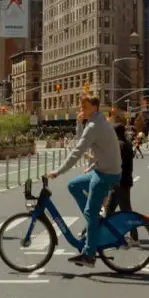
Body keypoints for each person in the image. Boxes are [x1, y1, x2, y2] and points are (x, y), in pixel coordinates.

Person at [47, 96, 122, 268]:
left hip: (106, 174)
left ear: (94, 108)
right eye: (81, 106)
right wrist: (79, 124)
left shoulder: (95, 125)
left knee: (90, 211)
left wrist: (59, 171)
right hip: (102, 169)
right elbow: (85, 142)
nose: (81, 109)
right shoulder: (97, 121)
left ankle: (89, 256)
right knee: (73, 185)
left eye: (85, 107)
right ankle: (92, 222)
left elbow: (78, 151)